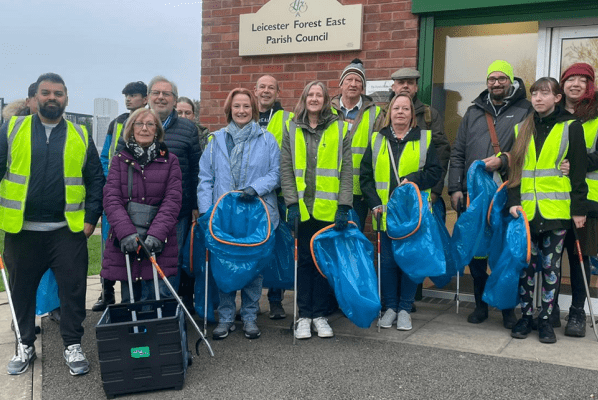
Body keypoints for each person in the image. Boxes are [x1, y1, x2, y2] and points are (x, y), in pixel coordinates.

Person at [0, 73, 104, 376]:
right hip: (22, 231)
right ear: (35, 98)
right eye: (46, 93)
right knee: (21, 292)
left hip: (66, 231)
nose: (52, 98)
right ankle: (25, 344)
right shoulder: (11, 129)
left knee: (72, 292)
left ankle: (72, 345)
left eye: (58, 93)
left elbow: (95, 180)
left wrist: (89, 221)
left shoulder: (80, 134)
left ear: (66, 99)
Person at [449, 60, 533, 329]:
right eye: (492, 78)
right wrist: (455, 188)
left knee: (505, 252)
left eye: (502, 78)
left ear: (511, 80)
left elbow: (527, 151)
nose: (496, 83)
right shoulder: (473, 112)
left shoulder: (525, 110)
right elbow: (458, 152)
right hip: (475, 196)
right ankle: (481, 305)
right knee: (478, 253)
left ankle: (508, 310)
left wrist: (505, 161)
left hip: (507, 193)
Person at [506, 77, 588, 344]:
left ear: (557, 98)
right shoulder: (522, 128)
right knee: (527, 267)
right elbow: (514, 171)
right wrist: (513, 201)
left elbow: (577, 172)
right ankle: (527, 316)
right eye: (534, 94)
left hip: (556, 212)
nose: (538, 98)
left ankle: (546, 319)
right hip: (527, 212)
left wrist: (579, 210)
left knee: (551, 266)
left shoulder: (571, 127)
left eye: (544, 93)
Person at [198, 88, 280, 340]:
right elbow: (205, 179)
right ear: (229, 110)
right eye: (237, 107)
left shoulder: (267, 140)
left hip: (257, 212)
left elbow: (276, 173)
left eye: (246, 106)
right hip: (223, 215)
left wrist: (255, 189)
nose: (241, 111)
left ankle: (250, 316)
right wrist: (206, 213)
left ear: (253, 109)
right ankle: (225, 317)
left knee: (253, 266)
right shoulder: (216, 141)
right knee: (224, 265)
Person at [116, 76, 201, 314]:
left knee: (169, 265)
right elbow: (118, 168)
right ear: (148, 97)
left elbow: (196, 170)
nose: (161, 97)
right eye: (156, 93)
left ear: (174, 99)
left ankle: (167, 317)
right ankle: (140, 316)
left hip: (176, 213)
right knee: (137, 266)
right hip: (135, 214)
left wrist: (194, 203)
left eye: (167, 94)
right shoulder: (132, 124)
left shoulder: (188, 129)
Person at [360, 93, 442, 330]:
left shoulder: (424, 139)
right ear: (389, 113)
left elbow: (435, 172)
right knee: (387, 263)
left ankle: (405, 308)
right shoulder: (377, 140)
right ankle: (390, 308)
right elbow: (365, 177)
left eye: (406, 109)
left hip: (412, 216)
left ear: (412, 115)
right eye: (396, 108)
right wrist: (374, 202)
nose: (401, 112)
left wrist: (415, 178)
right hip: (383, 213)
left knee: (408, 262)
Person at [280, 81, 352, 340]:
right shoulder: (291, 128)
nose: (314, 98)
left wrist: (344, 205)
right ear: (304, 98)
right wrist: (290, 203)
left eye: (318, 94)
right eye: (310, 94)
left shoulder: (340, 128)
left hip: (328, 210)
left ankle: (320, 315)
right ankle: (303, 315)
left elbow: (346, 172)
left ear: (325, 100)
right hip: (301, 209)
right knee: (303, 264)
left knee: (322, 265)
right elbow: (286, 169)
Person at [102, 108, 182, 302]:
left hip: (160, 241)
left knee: (161, 295)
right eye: (139, 124)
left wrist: (156, 233)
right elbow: (111, 198)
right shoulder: (119, 160)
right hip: (127, 242)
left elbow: (173, 199)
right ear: (131, 128)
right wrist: (126, 232)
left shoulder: (170, 160)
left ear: (157, 130)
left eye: (150, 124)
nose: (144, 129)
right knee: (131, 297)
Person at [93, 80, 148, 312]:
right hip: (115, 195)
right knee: (109, 245)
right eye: (126, 95)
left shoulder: (148, 123)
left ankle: (136, 297)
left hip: (139, 197)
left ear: (145, 99)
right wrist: (112, 182)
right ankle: (106, 293)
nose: (128, 99)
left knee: (136, 247)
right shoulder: (116, 123)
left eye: (133, 95)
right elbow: (106, 156)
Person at [558, 63, 598, 336]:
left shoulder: (596, 115)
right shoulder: (552, 114)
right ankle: (547, 309)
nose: (575, 84)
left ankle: (576, 313)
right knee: (551, 257)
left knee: (579, 258)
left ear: (590, 85)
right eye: (570, 79)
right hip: (553, 199)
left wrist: (578, 164)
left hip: (586, 200)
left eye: (582, 80)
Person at [375, 67, 450, 204]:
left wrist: (436, 191)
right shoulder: (382, 115)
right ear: (393, 87)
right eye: (401, 82)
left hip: (422, 192)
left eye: (410, 82)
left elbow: (441, 154)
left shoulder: (430, 115)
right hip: (386, 196)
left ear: (416, 88)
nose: (405, 86)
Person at [331, 58, 381, 231]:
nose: (353, 84)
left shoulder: (376, 113)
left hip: (358, 191)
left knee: (353, 239)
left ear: (363, 86)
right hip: (330, 188)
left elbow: (379, 153)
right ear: (341, 84)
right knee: (328, 238)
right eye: (349, 80)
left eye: (358, 80)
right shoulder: (327, 110)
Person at [255, 74, 290, 320]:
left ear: (278, 93)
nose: (266, 91)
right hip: (250, 194)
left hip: (278, 194)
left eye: (271, 88)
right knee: (252, 247)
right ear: (254, 91)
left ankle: (276, 300)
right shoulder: (244, 113)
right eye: (262, 87)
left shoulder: (287, 118)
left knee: (278, 248)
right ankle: (251, 301)